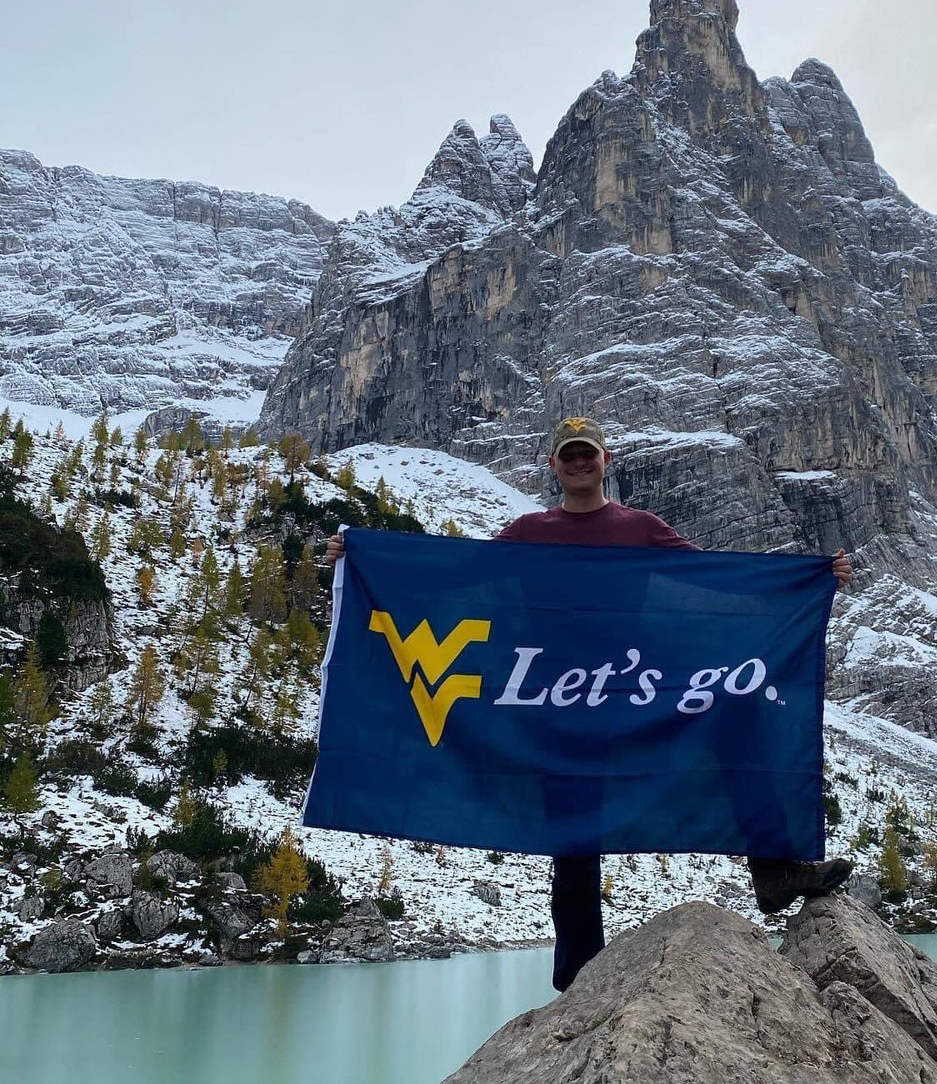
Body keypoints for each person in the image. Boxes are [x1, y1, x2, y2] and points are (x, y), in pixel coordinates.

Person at [325, 416, 853, 991]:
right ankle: (578, 977)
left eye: (589, 454)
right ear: (553, 466)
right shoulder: (528, 531)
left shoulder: (641, 528)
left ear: (607, 460)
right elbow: (458, 573)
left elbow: (718, 577)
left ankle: (775, 872)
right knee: (573, 834)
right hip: (556, 700)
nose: (579, 463)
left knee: (736, 717)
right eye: (568, 455)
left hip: (636, 686)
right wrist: (359, 557)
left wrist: (814, 577)